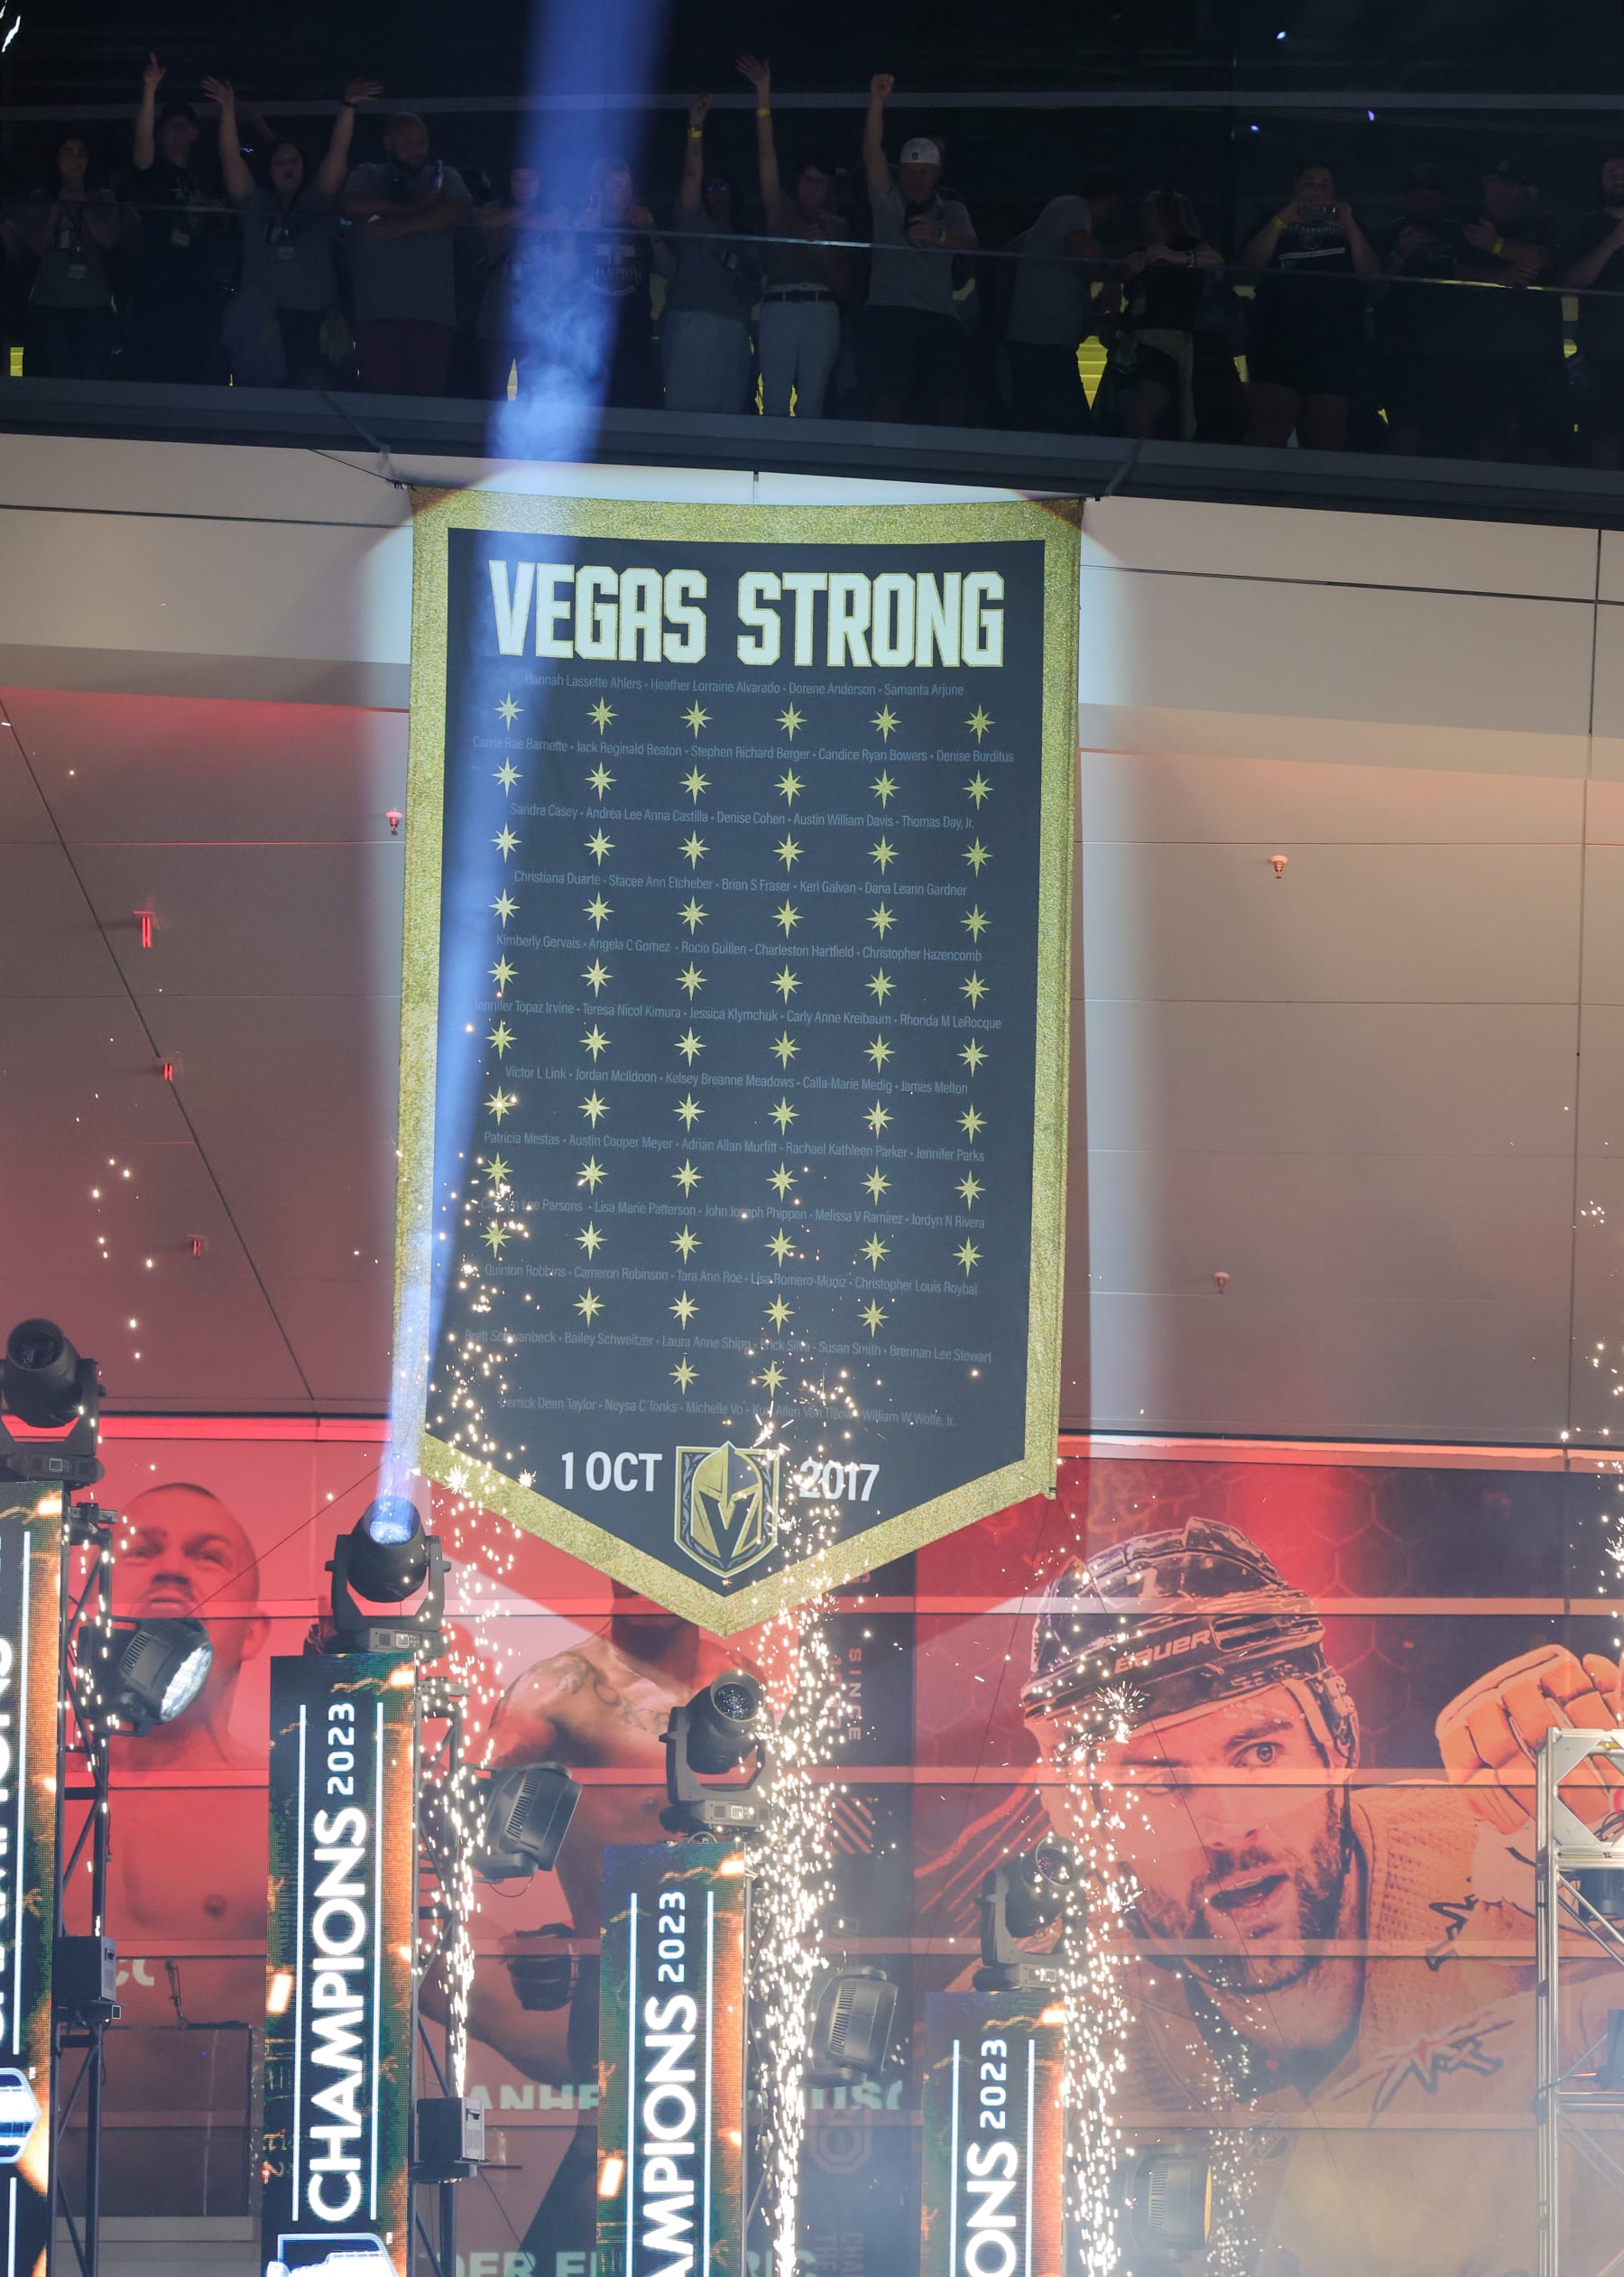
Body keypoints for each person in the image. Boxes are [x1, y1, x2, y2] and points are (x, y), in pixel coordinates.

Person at [1009, 1518, 1615, 2271]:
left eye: (1260, 1752)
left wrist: (1610, 1832)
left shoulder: (1510, 1846)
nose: (1228, 1829)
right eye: (1160, 1784)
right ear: (1081, 1818)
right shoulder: (1043, 2021)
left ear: (1338, 1739)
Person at [204, 75, 379, 388]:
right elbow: (231, 159)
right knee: (264, 392)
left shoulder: (318, 199)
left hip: (315, 316)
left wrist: (348, 107)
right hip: (266, 320)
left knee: (316, 389)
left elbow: (337, 155)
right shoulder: (254, 202)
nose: (288, 166)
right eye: (280, 162)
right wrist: (227, 110)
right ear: (269, 170)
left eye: (294, 161)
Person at [735, 53, 853, 419]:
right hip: (777, 308)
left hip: (822, 311)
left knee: (812, 402)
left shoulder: (838, 227)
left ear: (829, 187)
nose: (813, 189)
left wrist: (825, 257)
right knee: (772, 401)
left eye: (820, 182)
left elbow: (848, 290)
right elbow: (765, 156)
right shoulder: (780, 209)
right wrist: (763, 95)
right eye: (807, 180)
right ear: (798, 182)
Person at [859, 72, 977, 426]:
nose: (916, 178)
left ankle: (952, 465)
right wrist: (876, 100)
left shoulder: (952, 209)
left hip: (939, 313)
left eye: (924, 171)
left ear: (936, 172)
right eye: (910, 170)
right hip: (890, 309)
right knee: (888, 396)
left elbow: (972, 246)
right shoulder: (887, 200)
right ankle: (877, 464)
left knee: (954, 397)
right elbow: (871, 153)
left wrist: (940, 237)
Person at [1237, 158, 1379, 449]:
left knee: (1325, 435)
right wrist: (1284, 218)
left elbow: (1372, 275)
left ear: (1335, 190)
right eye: (1308, 183)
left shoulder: (1353, 224)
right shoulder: (1272, 218)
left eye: (1324, 184)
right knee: (1269, 428)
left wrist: (1349, 224)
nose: (1316, 190)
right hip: (1277, 338)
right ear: (1296, 186)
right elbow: (1248, 268)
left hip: (1335, 342)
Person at [340, 110, 473, 396]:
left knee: (426, 406)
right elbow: (352, 204)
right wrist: (414, 208)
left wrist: (403, 226)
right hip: (376, 314)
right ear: (388, 143)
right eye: (408, 142)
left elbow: (461, 208)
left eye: (422, 142)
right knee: (380, 404)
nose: (418, 149)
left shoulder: (443, 176)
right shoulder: (368, 174)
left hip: (432, 315)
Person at [1449, 158, 1564, 461]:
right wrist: (1499, 278)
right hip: (1483, 353)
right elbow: (1455, 273)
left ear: (1527, 194)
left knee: (1539, 441)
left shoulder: (1545, 224)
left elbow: (1547, 260)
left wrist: (1496, 246)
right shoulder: (1468, 223)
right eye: (1491, 186)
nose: (1496, 194)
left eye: (1507, 189)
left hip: (1539, 355)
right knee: (1484, 438)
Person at [1001, 167, 1125, 433]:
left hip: (1039, 342)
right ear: (1113, 202)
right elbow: (1081, 246)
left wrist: (1088, 312)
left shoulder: (1053, 220)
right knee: (1073, 429)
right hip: (1043, 345)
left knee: (1035, 425)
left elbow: (1011, 250)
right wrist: (1111, 278)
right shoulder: (1072, 206)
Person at [660, 96, 759, 414]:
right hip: (690, 320)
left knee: (728, 411)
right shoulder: (693, 220)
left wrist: (744, 287)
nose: (716, 195)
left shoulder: (745, 240)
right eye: (711, 189)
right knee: (685, 410)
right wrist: (695, 127)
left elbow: (755, 289)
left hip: (732, 327)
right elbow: (692, 175)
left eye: (723, 190)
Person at [127, 53, 223, 384]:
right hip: (160, 288)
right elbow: (141, 150)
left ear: (195, 133)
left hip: (200, 289)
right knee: (159, 368)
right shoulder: (154, 173)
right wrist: (150, 89)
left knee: (198, 368)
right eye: (169, 127)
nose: (176, 133)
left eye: (183, 127)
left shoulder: (205, 176)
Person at [1103, 188, 1220, 440]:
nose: (1141, 212)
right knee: (1128, 417)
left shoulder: (1187, 245)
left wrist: (1175, 257)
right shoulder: (1137, 251)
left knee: (1142, 418)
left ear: (1168, 213)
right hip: (1131, 344)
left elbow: (1216, 261)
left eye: (1149, 206)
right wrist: (1122, 276)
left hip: (1167, 344)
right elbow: (1117, 285)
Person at [1369, 162, 1469, 456]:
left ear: (1442, 198)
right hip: (1399, 349)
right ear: (1405, 197)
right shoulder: (1384, 235)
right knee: (1405, 428)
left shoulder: (1462, 235)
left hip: (1453, 350)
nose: (1424, 200)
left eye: (1431, 194)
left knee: (1452, 432)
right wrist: (1399, 259)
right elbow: (1369, 295)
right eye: (1417, 194)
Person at [574, 155, 671, 410]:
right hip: (592, 338)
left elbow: (670, 269)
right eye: (616, 186)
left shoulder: (641, 230)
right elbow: (566, 276)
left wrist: (651, 232)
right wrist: (576, 234)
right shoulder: (584, 228)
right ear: (601, 190)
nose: (624, 192)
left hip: (634, 336)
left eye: (627, 186)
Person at [19, 134, 121, 380]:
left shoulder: (104, 198)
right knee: (52, 373)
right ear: (56, 159)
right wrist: (54, 211)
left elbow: (109, 240)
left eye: (81, 152)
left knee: (91, 374)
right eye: (67, 152)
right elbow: (35, 246)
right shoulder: (40, 198)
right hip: (50, 300)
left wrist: (85, 207)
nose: (75, 158)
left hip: (94, 301)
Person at [475, 165, 568, 400]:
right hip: (497, 316)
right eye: (517, 177)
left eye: (531, 177)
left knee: (535, 396)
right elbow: (484, 220)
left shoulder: (558, 211)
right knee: (493, 395)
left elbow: (555, 222)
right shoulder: (494, 209)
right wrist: (523, 215)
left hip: (539, 320)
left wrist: (518, 219)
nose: (524, 184)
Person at [1561, 153, 1624, 466]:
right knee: (1603, 437)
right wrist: (1613, 243)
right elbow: (1571, 284)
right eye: (1610, 171)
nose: (1618, 176)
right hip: (1603, 355)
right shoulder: (1588, 226)